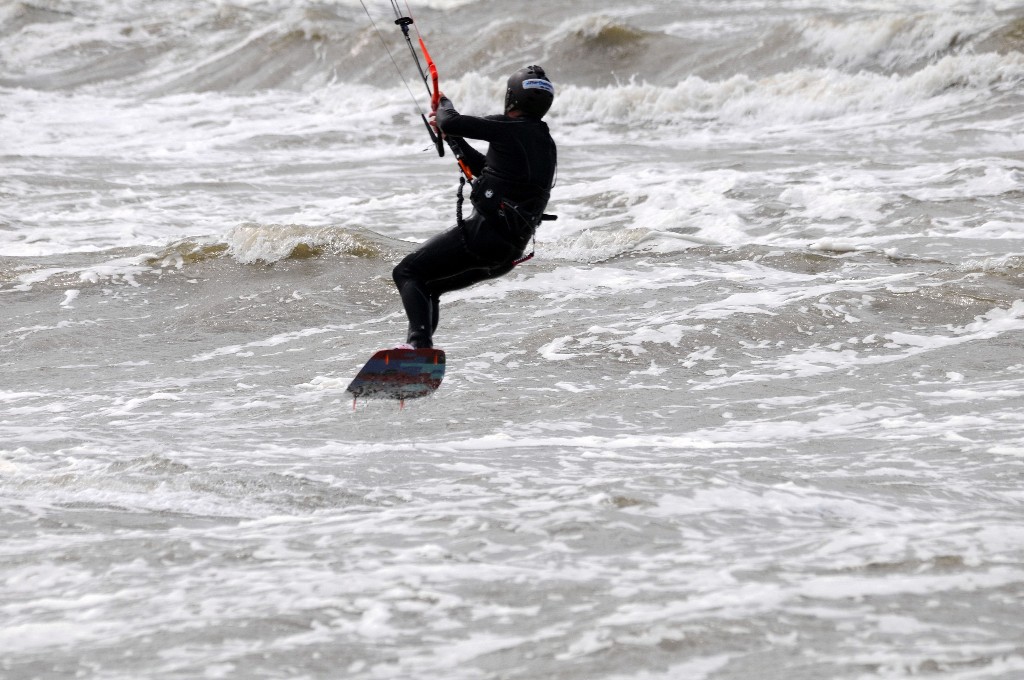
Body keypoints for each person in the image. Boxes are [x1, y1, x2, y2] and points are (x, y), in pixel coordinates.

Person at [391, 65, 558, 349]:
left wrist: (443, 102)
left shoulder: (509, 128)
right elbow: (490, 172)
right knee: (429, 285)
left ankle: (418, 345)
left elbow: (450, 120)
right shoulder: (542, 141)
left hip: (484, 237)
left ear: (512, 97)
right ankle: (418, 354)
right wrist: (454, 141)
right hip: (508, 253)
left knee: (407, 272)